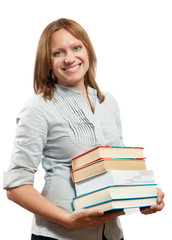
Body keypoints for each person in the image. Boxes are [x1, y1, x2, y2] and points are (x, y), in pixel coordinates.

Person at [3, 18, 164, 240]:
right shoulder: (38, 108)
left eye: (76, 47)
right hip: (59, 235)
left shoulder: (108, 102)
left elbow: (118, 168)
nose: (69, 58)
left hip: (111, 234)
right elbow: (16, 185)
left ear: (88, 51)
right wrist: (67, 220)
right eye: (58, 53)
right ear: (47, 61)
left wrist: (145, 196)